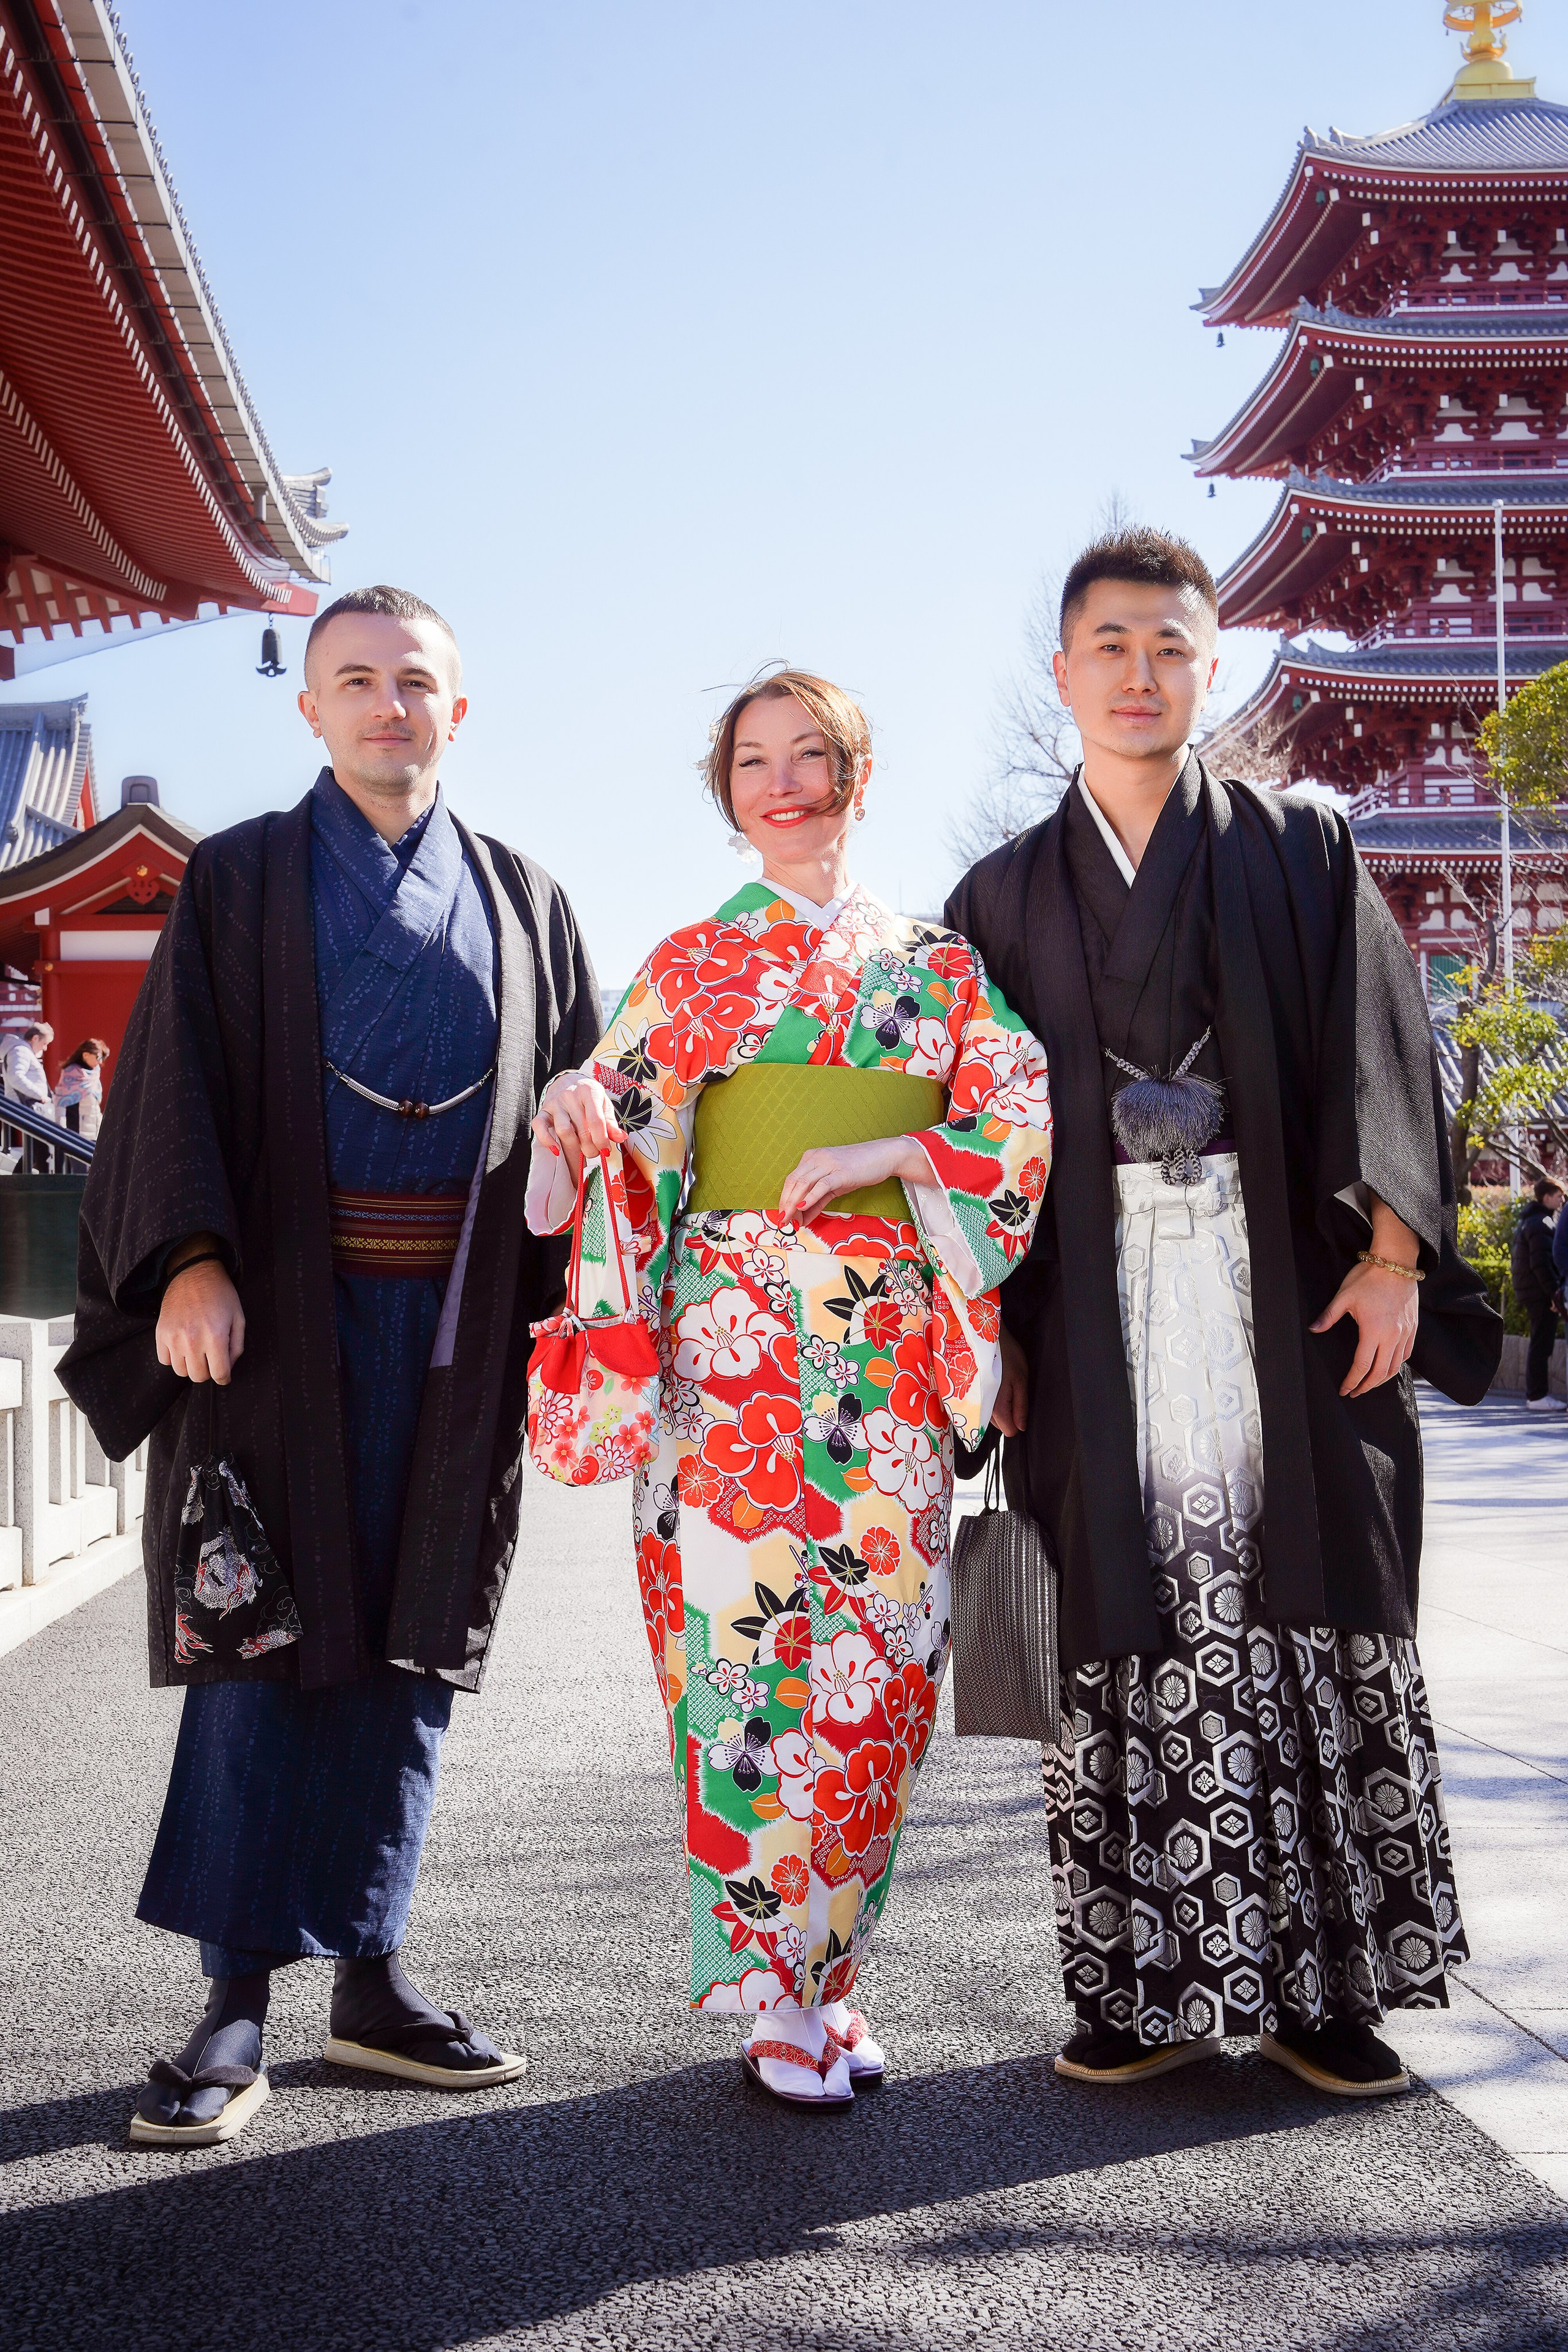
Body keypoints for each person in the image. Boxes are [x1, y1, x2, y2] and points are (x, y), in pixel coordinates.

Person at [945, 527, 1502, 2100]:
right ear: (1060, 674)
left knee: (1300, 1606)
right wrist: (976, 1325)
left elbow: (1388, 1049)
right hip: (1088, 1316)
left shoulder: (1296, 848)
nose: (1136, 672)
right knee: (1124, 1616)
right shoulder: (990, 896)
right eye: (1107, 645)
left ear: (1209, 664)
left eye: (1167, 645)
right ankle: (1136, 1985)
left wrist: (1392, 1252)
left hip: (1282, 1291)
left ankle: (1324, 1985)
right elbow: (963, 1133)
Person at [60, 585, 601, 2147]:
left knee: (411, 1641)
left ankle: (370, 1973)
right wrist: (188, 1260)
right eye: (353, 681)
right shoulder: (238, 879)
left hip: (455, 1330)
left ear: (458, 705)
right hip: (278, 1324)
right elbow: (170, 1084)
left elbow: (582, 1085)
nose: (387, 705)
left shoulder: (522, 897)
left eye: (415, 681)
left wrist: (592, 1125)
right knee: (261, 1638)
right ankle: (234, 1994)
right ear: (308, 709)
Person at [527, 669, 1052, 2108]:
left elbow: (1012, 1114)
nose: (782, 784)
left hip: (882, 1351)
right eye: (752, 762)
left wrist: (896, 1155)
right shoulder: (695, 959)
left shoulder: (935, 967)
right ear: (727, 792)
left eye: (809, 756)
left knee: (878, 1667)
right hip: (731, 1360)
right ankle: (772, 1993)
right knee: (747, 1666)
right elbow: (616, 1125)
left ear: (857, 773)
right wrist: (578, 1111)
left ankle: (837, 1975)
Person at [1512, 1177, 1565, 1414]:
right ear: (1547, 1197)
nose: (1562, 1200)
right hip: (1539, 1294)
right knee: (1541, 1344)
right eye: (1559, 1195)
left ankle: (1537, 1395)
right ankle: (1537, 1395)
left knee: (1539, 1342)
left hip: (1531, 1291)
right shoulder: (1542, 1223)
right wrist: (1554, 1294)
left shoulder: (1530, 1220)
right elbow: (1542, 1264)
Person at [53, 1037, 109, 1137]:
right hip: (76, 1132)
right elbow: (61, 1102)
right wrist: (61, 1131)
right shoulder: (71, 1074)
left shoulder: (94, 1074)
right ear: (86, 1055)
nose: (100, 1062)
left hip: (94, 1132)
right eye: (99, 1058)